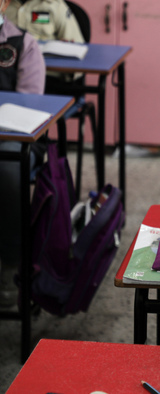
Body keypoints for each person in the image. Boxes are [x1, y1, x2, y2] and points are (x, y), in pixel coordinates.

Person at [0, 0, 46, 306]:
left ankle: (11, 263)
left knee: (8, 171)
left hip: (13, 136)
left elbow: (29, 108)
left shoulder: (22, 45)